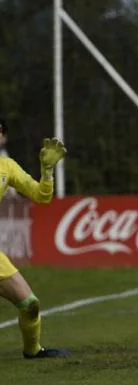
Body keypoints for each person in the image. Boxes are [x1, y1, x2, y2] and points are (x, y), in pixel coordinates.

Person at [0, 119, 70, 358]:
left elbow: (41, 196)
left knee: (30, 305)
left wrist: (47, 171)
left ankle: (33, 351)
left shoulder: (7, 167)